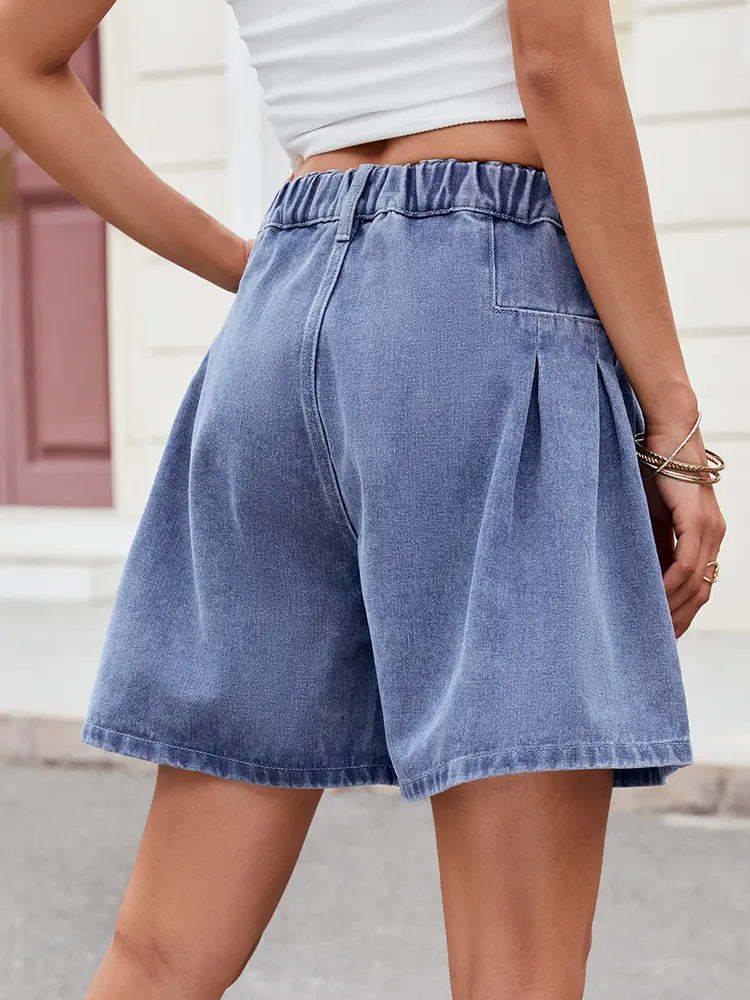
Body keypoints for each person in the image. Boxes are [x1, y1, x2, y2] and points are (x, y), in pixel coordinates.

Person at [0, 1, 727, 998]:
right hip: (481, 299)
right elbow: (558, 65)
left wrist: (256, 269)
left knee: (163, 953)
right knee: (517, 971)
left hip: (282, 311)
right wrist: (672, 418)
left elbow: (16, 60)